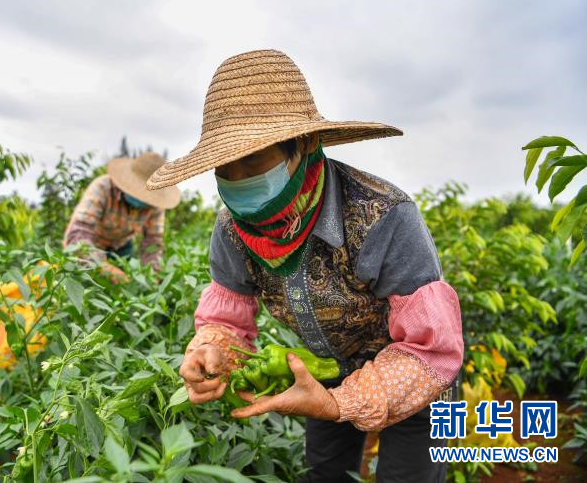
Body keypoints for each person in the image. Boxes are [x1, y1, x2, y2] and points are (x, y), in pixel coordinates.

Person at [147, 50, 464, 482]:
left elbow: (431, 349)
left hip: (417, 380)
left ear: (304, 144)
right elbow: (227, 320)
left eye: (254, 157)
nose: (238, 178)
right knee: (325, 475)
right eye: (226, 164)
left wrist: (343, 403)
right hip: (321, 371)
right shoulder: (232, 230)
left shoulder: (383, 215)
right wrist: (213, 352)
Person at [64, 151, 180, 281]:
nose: (142, 198)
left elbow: (152, 242)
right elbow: (79, 233)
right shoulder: (102, 188)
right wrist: (102, 266)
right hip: (91, 243)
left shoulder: (155, 204)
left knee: (125, 283)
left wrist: (153, 274)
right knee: (88, 281)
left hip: (121, 245)